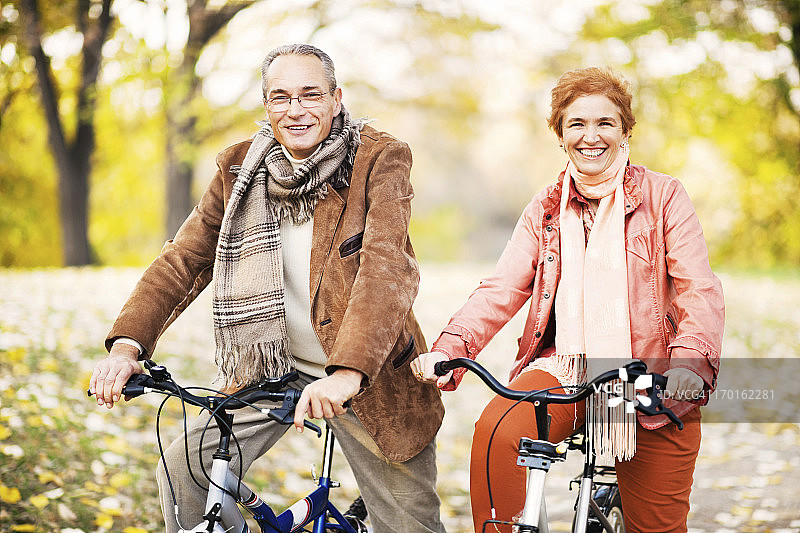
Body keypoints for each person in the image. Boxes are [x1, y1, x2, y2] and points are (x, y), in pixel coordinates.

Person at [89, 43, 446, 533]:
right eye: (281, 97)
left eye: (310, 95)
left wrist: (346, 375)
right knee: (185, 471)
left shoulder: (379, 158)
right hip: (273, 368)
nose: (295, 110)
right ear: (266, 104)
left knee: (409, 526)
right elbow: (183, 259)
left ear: (336, 98)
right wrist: (126, 347)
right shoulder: (239, 168)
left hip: (370, 377)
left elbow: (386, 273)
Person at [411, 67, 724, 533]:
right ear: (560, 134)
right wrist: (450, 348)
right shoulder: (545, 207)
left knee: (657, 526)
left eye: (605, 123)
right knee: (496, 432)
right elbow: (501, 288)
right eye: (577, 123)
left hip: (651, 375)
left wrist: (688, 364)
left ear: (625, 130)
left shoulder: (663, 196)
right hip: (567, 367)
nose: (590, 136)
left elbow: (699, 288)